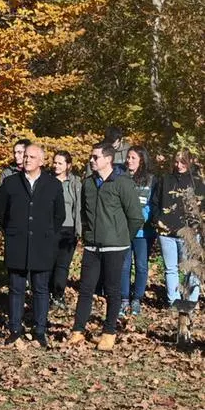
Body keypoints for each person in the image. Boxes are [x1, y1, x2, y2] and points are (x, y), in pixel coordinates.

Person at [68, 142, 144, 351]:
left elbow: (136, 217)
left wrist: (122, 239)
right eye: (91, 157)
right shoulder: (89, 183)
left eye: (95, 157)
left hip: (115, 247)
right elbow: (84, 214)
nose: (91, 160)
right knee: (85, 289)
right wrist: (87, 235)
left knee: (113, 290)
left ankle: (109, 333)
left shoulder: (122, 183)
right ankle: (77, 331)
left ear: (108, 159)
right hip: (92, 246)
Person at [0, 144, 65, 348]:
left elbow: (58, 215)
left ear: (42, 161)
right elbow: (2, 213)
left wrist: (47, 234)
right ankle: (15, 328)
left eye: (32, 157)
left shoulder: (53, 185)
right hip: (17, 242)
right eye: (25, 156)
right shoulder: (10, 183)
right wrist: (13, 231)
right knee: (16, 288)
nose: (27, 160)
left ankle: (40, 330)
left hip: (42, 244)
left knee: (41, 289)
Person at [152, 148, 203, 309]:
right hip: (166, 231)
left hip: (189, 233)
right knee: (170, 269)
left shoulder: (197, 181)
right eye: (176, 161)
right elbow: (155, 201)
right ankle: (173, 303)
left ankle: (191, 303)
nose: (179, 165)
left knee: (192, 269)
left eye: (183, 162)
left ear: (190, 162)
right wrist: (157, 218)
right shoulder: (165, 179)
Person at [120, 146, 157, 316]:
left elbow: (153, 204)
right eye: (128, 157)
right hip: (124, 230)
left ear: (141, 160)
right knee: (124, 266)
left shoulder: (151, 180)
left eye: (133, 158)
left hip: (144, 231)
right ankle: (124, 299)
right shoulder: (121, 177)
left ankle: (137, 299)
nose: (129, 161)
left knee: (141, 265)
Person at [49, 151, 82, 310]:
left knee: (63, 264)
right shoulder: (47, 180)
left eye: (60, 163)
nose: (56, 165)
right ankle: (47, 293)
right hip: (50, 228)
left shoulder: (75, 183)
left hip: (68, 229)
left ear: (68, 165)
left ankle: (58, 294)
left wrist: (79, 229)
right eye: (55, 162)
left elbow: (79, 207)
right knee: (49, 262)